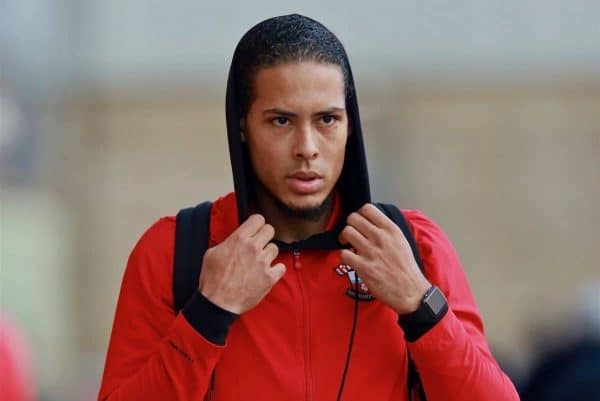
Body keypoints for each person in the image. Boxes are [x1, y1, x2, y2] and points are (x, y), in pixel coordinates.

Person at [97, 14, 519, 401]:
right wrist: (207, 314)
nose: (307, 149)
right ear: (242, 126)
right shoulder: (175, 252)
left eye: (327, 120)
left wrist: (419, 304)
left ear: (350, 124)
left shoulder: (414, 246)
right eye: (281, 121)